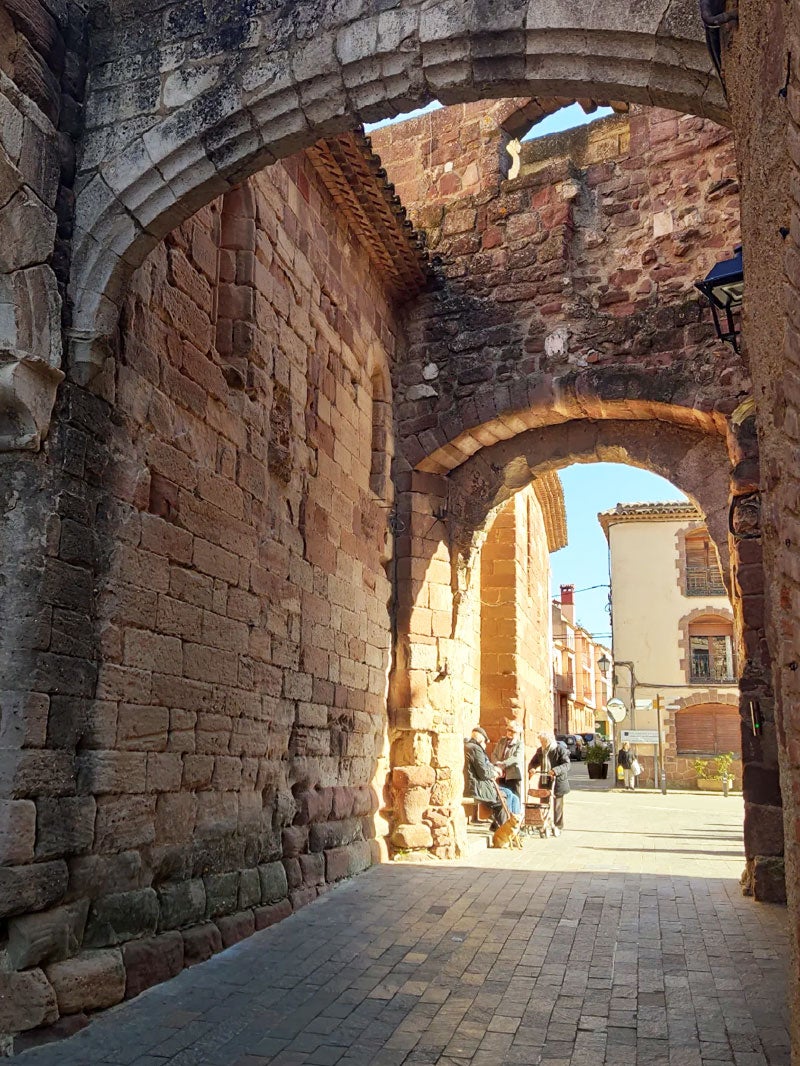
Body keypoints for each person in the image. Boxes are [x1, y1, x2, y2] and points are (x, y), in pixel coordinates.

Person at [465, 726, 521, 828]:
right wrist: (494, 772)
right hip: (476, 786)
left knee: (507, 795)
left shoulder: (470, 746)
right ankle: (505, 829)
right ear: (481, 740)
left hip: (475, 784)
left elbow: (483, 768)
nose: (485, 745)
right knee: (501, 799)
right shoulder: (476, 749)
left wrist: (494, 769)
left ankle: (506, 826)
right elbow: (484, 773)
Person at [528, 730, 571, 835]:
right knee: (543, 803)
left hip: (558, 781)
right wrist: (532, 769)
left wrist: (555, 771)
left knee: (557, 805)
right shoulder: (540, 751)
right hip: (544, 780)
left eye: (544, 741)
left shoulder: (560, 750)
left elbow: (566, 765)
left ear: (549, 740)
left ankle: (558, 826)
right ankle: (543, 822)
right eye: (541, 741)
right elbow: (533, 763)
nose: (542, 743)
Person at [491, 720, 525, 800]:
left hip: (513, 776)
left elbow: (516, 758)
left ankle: (515, 812)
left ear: (517, 733)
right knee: (503, 797)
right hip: (501, 775)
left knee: (515, 798)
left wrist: (502, 764)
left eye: (512, 731)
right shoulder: (501, 741)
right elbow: (494, 754)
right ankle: (505, 812)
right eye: (508, 730)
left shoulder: (519, 744)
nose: (509, 732)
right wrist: (496, 763)